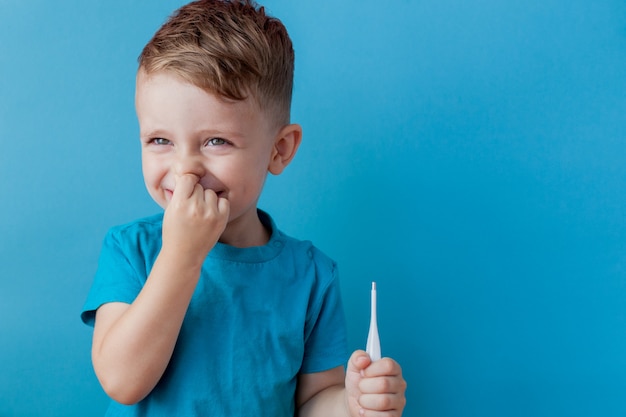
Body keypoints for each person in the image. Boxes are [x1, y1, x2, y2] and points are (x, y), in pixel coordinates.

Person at [80, 1, 407, 415]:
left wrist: (353, 403)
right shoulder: (131, 251)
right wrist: (182, 255)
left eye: (216, 141)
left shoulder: (311, 276)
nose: (185, 171)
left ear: (279, 149)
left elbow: (311, 402)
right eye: (160, 141)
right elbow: (122, 382)